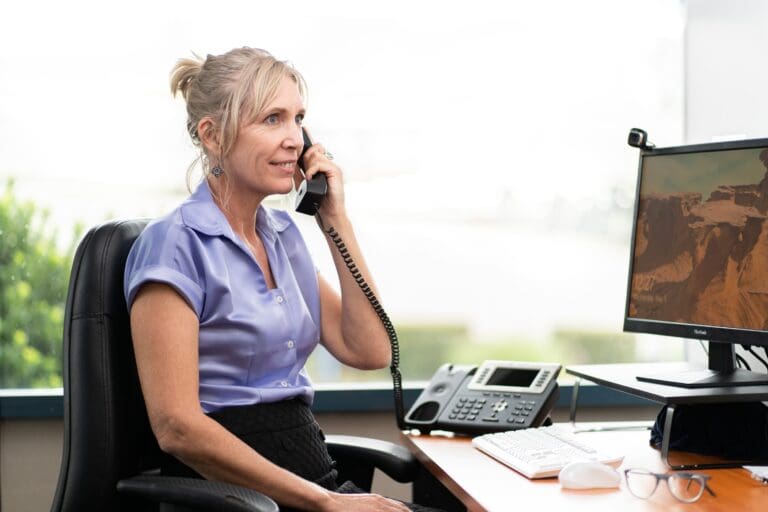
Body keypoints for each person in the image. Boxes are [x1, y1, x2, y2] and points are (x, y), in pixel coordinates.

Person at [124, 47, 439, 512]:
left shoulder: (283, 237)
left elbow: (369, 350)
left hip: (312, 483)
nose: (294, 138)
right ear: (212, 136)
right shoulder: (173, 245)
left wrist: (335, 220)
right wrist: (325, 503)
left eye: (298, 119)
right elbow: (177, 428)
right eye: (272, 119)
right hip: (241, 499)